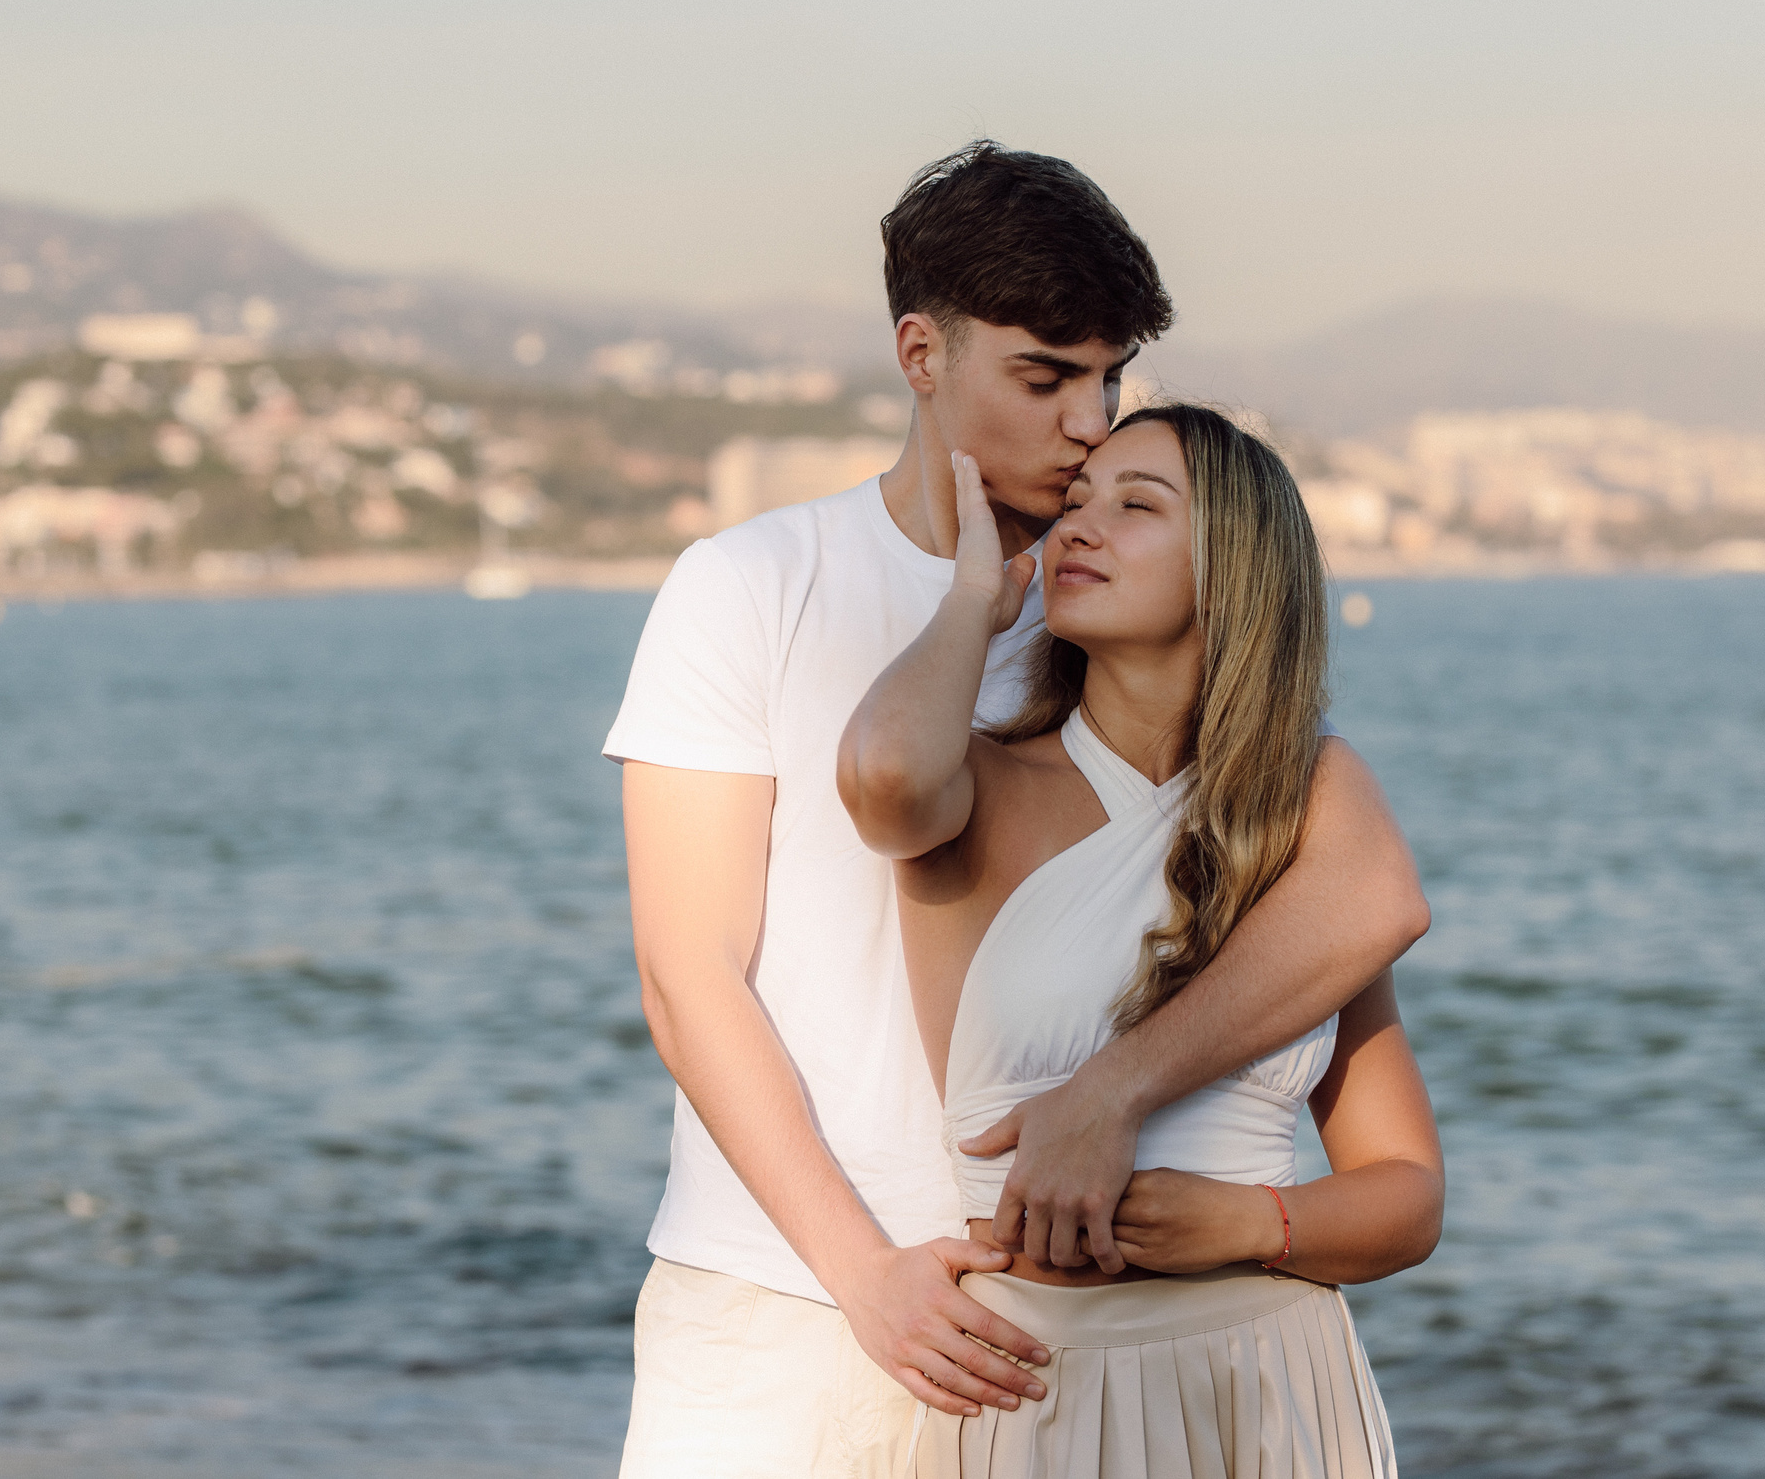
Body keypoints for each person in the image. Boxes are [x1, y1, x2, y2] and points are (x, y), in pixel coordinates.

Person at [603, 143, 1432, 1477]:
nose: (1086, 421)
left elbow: (1357, 875)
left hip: (1036, 1310)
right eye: (1043, 377)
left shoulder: (1121, 589)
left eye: (1107, 379)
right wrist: (864, 1269)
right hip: (784, 1290)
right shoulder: (752, 582)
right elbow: (686, 974)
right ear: (922, 353)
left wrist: (1116, 1101)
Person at [837, 409, 1445, 1476]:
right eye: (1073, 504)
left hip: (1271, 1382)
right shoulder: (978, 785)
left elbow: (1404, 1195)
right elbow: (881, 776)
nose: (1078, 528)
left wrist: (1247, 1222)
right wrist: (977, 597)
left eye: (1136, 506)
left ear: (1233, 568)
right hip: (1033, 1381)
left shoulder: (1301, 807)